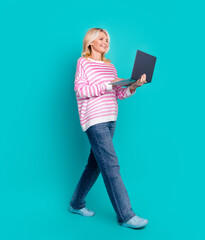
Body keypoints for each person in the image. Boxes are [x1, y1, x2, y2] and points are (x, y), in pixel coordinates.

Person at [68, 28, 148, 229]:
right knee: (111, 165)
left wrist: (132, 86)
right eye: (101, 38)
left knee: (94, 164)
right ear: (90, 43)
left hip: (111, 119)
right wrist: (108, 85)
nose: (105, 42)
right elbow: (81, 90)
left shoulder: (110, 67)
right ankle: (126, 216)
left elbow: (118, 94)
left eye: (107, 39)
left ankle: (76, 204)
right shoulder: (83, 63)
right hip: (94, 120)